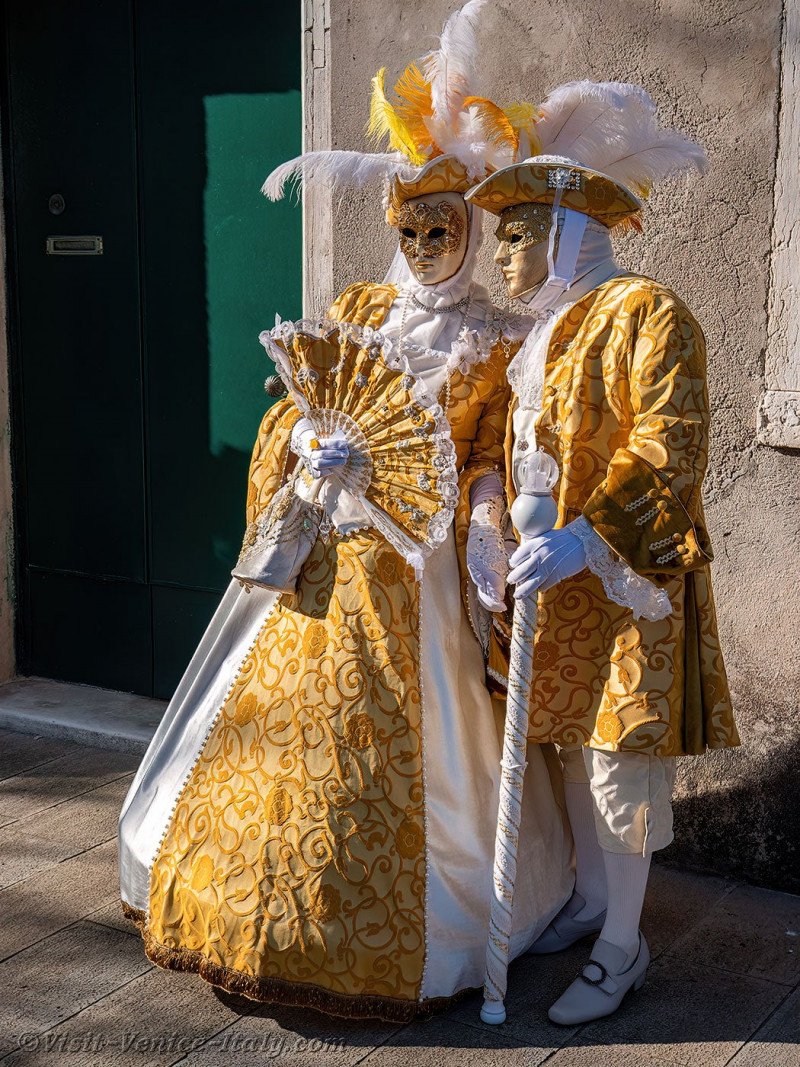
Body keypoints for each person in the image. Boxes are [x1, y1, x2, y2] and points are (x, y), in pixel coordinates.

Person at [118, 2, 572, 1022]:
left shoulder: (501, 340)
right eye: (406, 228)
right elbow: (298, 409)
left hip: (423, 569)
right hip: (324, 553)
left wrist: (491, 523)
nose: (420, 246)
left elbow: (495, 456)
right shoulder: (365, 313)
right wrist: (301, 447)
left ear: (469, 231)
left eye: (440, 229)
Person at [467, 79, 739, 1025]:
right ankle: (586, 903)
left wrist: (587, 537)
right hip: (548, 586)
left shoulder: (647, 312)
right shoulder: (537, 333)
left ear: (572, 227)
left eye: (518, 230)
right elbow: (503, 443)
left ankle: (624, 943)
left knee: (620, 759)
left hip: (623, 584)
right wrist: (489, 520)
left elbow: (671, 441)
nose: (500, 251)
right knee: (563, 753)